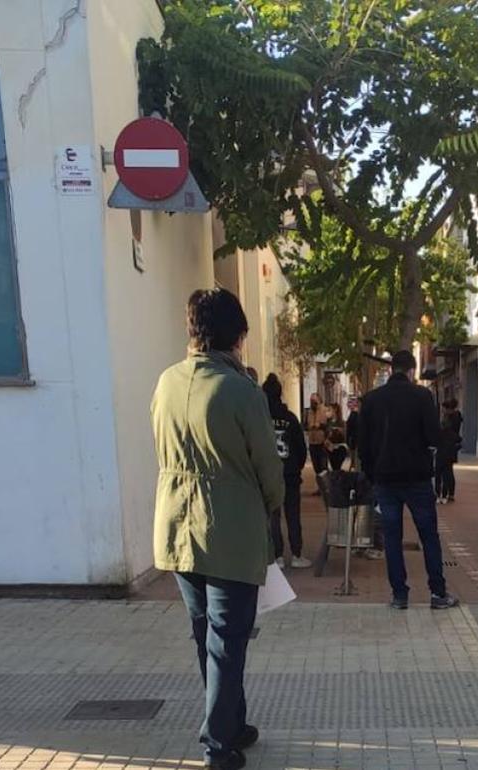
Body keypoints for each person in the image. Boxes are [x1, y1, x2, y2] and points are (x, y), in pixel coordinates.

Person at [151, 289, 281, 770]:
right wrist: (271, 506)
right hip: (228, 530)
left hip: (177, 530)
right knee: (228, 639)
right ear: (238, 336)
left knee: (206, 634)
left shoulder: (165, 382)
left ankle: (233, 724)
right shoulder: (240, 390)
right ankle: (217, 743)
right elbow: (268, 466)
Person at [358, 350, 460, 610]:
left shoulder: (371, 400)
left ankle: (399, 595)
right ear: (412, 370)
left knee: (392, 538)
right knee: (428, 535)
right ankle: (437, 593)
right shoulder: (423, 397)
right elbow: (433, 437)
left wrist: (373, 476)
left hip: (385, 479)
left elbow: (363, 445)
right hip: (417, 478)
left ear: (392, 369)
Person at [262, 373, 311, 570]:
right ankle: (297, 554)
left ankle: (277, 555)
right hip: (290, 474)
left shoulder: (261, 417)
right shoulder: (290, 418)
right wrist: (296, 467)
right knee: (293, 514)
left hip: (269, 475)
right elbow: (300, 448)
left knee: (274, 516)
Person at [434, 404, 460, 504]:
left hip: (440, 456)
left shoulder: (439, 433)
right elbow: (459, 440)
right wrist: (455, 448)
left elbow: (434, 442)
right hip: (449, 456)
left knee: (438, 476)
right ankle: (447, 495)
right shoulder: (453, 434)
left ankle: (438, 495)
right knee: (447, 475)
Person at [305, 394, 330, 494]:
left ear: (319, 400)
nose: (312, 403)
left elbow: (329, 426)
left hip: (322, 442)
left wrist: (319, 426)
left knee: (323, 467)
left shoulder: (325, 410)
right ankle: (320, 488)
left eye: (314, 401)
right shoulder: (309, 412)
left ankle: (327, 488)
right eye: (311, 401)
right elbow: (306, 424)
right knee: (316, 467)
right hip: (312, 442)